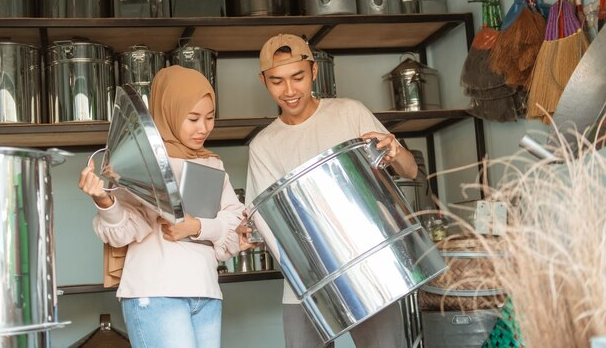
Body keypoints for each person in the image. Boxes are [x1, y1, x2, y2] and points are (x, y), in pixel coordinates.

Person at [242, 34, 418, 348]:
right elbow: (268, 223)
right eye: (277, 82)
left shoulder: (350, 113)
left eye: (297, 77)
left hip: (372, 272)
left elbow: (410, 170)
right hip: (307, 285)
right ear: (263, 81)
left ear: (313, 71)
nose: (290, 91)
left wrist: (396, 152)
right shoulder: (263, 145)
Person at [78, 65, 244, 348]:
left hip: (206, 292)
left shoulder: (212, 163)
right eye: (192, 118)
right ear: (169, 111)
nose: (203, 128)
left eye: (209, 117)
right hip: (156, 293)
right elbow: (126, 231)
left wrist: (197, 227)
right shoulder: (139, 160)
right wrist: (103, 200)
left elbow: (238, 225)